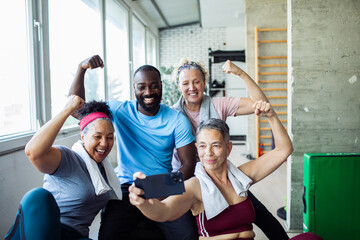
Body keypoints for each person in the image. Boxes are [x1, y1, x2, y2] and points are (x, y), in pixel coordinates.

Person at [129, 103, 322, 240]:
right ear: (197, 148)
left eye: (216, 145)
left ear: (228, 148)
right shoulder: (195, 186)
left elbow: (284, 150)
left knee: (311, 238)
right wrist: (143, 203)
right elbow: (164, 211)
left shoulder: (241, 176)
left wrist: (271, 116)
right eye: (203, 146)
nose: (209, 153)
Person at [68, 55, 198, 240]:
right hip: (127, 188)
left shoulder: (177, 120)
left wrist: (158, 188)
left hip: (164, 187)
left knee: (188, 236)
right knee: (108, 236)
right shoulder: (120, 110)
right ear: (134, 89)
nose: (148, 91)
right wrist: (81, 68)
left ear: (161, 86)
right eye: (142, 87)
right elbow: (76, 110)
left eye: (153, 85)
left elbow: (188, 165)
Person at [171, 59, 289, 239]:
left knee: (268, 222)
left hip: (221, 175)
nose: (192, 87)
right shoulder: (171, 115)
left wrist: (240, 73)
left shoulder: (218, 105)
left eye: (196, 81)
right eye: (185, 83)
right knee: (189, 232)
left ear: (204, 83)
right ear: (179, 86)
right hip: (190, 180)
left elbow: (261, 104)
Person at [8, 96, 122, 239]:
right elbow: (33, 152)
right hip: (46, 230)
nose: (104, 143)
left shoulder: (105, 172)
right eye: (97, 136)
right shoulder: (68, 158)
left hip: (75, 235)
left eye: (110, 137)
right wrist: (67, 110)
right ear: (83, 137)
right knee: (37, 196)